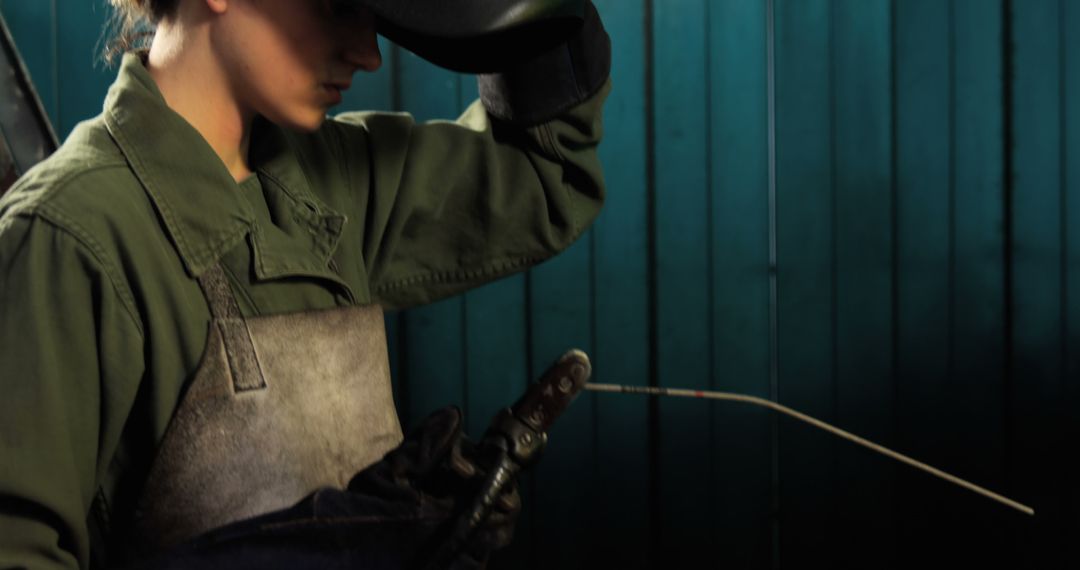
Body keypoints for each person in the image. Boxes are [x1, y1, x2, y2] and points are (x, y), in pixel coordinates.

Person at [0, 0, 611, 568]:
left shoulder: (330, 186)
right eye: (340, 5)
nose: (369, 53)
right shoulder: (67, 237)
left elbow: (541, 173)